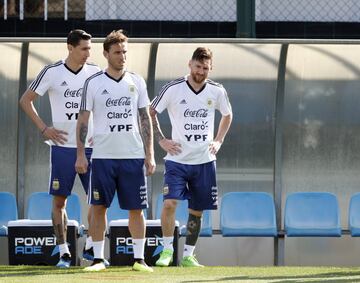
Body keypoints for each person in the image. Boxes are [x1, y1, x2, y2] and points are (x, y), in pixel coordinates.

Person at [75, 29, 156, 272]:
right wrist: (80, 154)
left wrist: (149, 154)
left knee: (136, 209)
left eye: (124, 52)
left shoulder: (137, 81)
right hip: (103, 157)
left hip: (132, 156)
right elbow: (83, 120)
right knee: (99, 208)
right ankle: (99, 259)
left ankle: (139, 259)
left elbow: (145, 119)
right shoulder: (93, 82)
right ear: (106, 54)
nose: (122, 56)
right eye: (117, 52)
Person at [19, 29, 101, 268]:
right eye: (84, 48)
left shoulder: (96, 73)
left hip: (92, 148)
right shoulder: (52, 72)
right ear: (70, 47)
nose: (88, 53)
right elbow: (25, 100)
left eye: (90, 48)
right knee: (59, 202)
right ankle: (64, 251)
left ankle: (90, 245)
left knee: (98, 202)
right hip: (62, 147)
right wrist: (45, 129)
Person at [150, 47, 232, 267]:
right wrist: (161, 140)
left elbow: (227, 114)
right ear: (190, 64)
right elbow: (151, 111)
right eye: (198, 66)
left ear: (210, 68)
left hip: (204, 161)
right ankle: (167, 251)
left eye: (206, 68)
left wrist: (218, 141)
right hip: (177, 160)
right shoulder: (174, 88)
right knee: (170, 203)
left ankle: (188, 255)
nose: (201, 71)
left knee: (197, 209)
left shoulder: (217, 91)